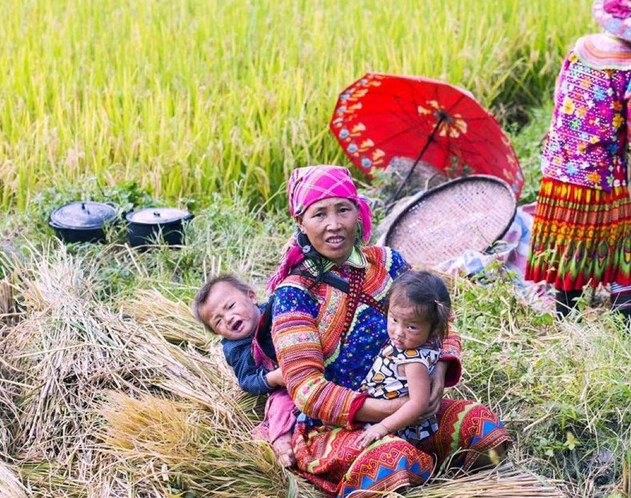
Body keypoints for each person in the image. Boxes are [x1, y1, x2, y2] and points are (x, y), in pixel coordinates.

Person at [268, 165, 510, 498]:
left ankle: (439, 469)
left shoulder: (388, 263)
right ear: (301, 223)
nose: (334, 224)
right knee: (392, 461)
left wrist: (437, 373)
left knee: (484, 428)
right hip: (337, 427)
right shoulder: (294, 295)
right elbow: (307, 390)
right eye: (319, 214)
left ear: (358, 211)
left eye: (343, 209)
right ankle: (416, 467)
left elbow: (439, 319)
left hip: (415, 407)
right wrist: (389, 411)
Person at [525, 0, 631, 329]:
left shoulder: (580, 49)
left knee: (569, 242)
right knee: (618, 246)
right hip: (600, 178)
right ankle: (628, 326)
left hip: (559, 169)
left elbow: (560, 100)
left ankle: (565, 321)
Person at [193, 275, 296, 467]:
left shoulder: (277, 309)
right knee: (279, 409)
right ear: (218, 333)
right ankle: (282, 445)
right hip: (283, 384)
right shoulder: (236, 348)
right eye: (218, 321)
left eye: (230, 306)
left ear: (251, 297)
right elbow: (247, 380)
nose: (229, 318)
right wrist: (273, 378)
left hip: (306, 358)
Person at [357, 270, 451, 449]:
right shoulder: (421, 344)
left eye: (411, 327)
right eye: (393, 319)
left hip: (394, 425)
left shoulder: (413, 361)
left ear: (433, 328)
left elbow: (418, 403)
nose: (398, 332)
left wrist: (383, 427)